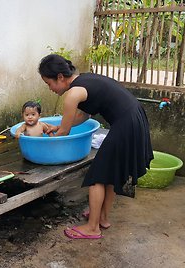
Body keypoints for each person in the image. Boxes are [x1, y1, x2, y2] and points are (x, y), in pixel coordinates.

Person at [38, 54, 153, 239]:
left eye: (48, 83)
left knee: (97, 176)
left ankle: (92, 228)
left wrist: (42, 140)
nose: (49, 88)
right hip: (134, 119)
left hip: (125, 124)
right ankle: (102, 218)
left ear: (60, 77)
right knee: (109, 173)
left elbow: (64, 133)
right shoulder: (84, 80)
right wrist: (59, 126)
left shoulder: (73, 94)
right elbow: (83, 116)